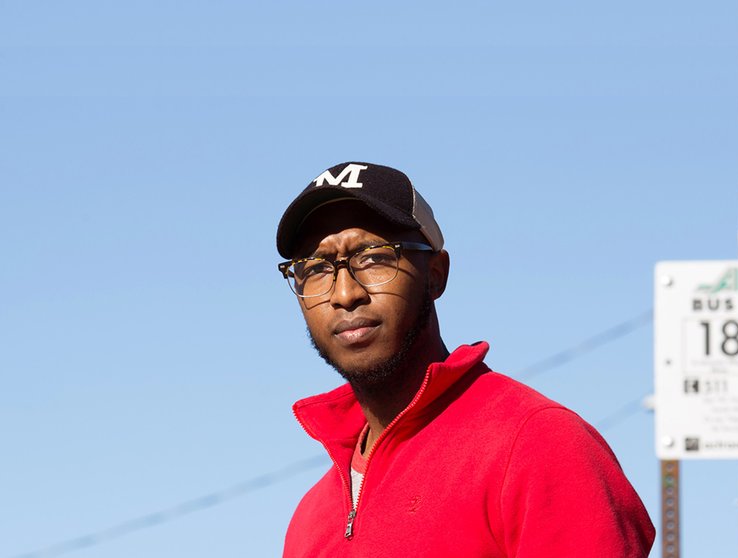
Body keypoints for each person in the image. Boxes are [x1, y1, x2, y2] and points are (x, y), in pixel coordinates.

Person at [276, 162, 655, 557]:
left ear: (436, 275)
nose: (344, 293)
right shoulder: (311, 518)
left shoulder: (536, 444)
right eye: (316, 268)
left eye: (374, 257)